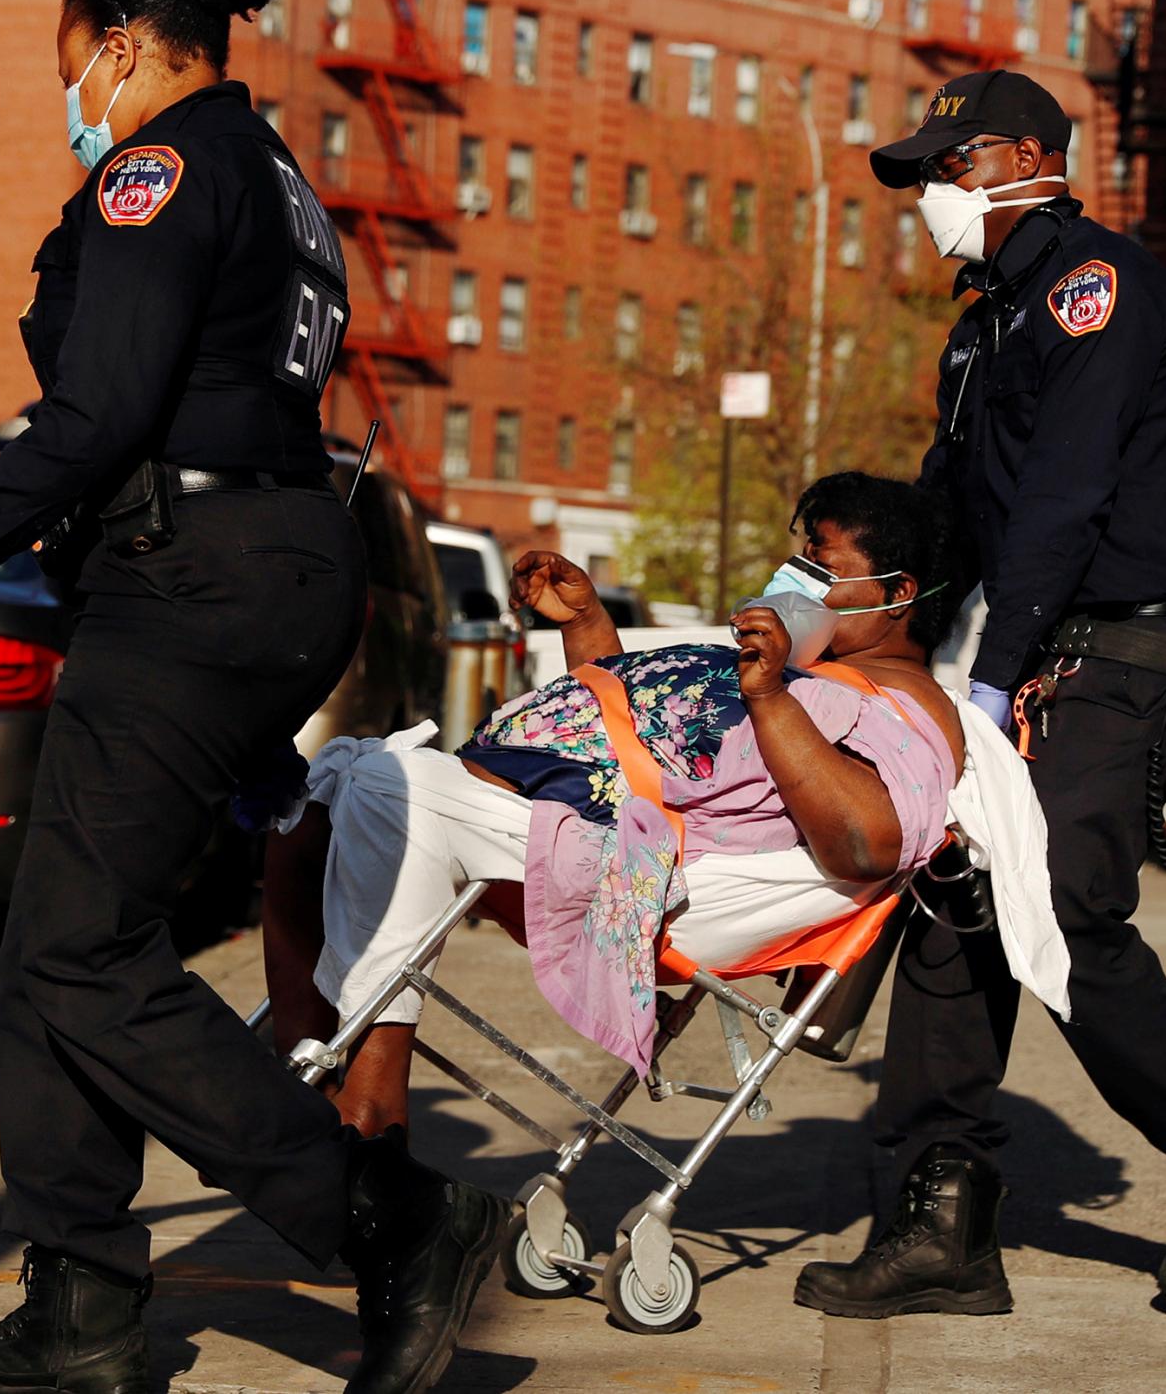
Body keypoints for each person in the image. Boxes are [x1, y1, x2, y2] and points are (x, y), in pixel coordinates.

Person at [0, 0, 500, 1392]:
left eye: (72, 54)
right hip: (276, 561)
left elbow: (100, 414)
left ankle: (387, 1219)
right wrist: (250, 736)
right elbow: (227, 391)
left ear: (122, 42)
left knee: (78, 950)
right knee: (54, 943)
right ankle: (85, 1301)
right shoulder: (284, 182)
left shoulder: (158, 170)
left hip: (191, 574)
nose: (69, 89)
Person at [794, 69, 1166, 1322]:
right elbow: (948, 511)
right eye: (921, 174)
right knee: (953, 910)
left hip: (1125, 649)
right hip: (1039, 640)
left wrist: (988, 666)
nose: (929, 195)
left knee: (1062, 908)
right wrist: (831, 608)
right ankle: (939, 1223)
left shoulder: (1098, 288)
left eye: (946, 167)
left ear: (1023, 155)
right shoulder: (982, 325)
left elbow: (1067, 497)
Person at [256, 473, 974, 1139]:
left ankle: (374, 1109)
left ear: (898, 591)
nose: (797, 578)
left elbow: (867, 843)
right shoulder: (809, 668)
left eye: (823, 565)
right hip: (549, 808)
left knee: (391, 788)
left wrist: (768, 696)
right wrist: (586, 624)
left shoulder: (897, 706)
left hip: (631, 867)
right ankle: (304, 1073)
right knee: (315, 793)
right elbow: (639, 740)